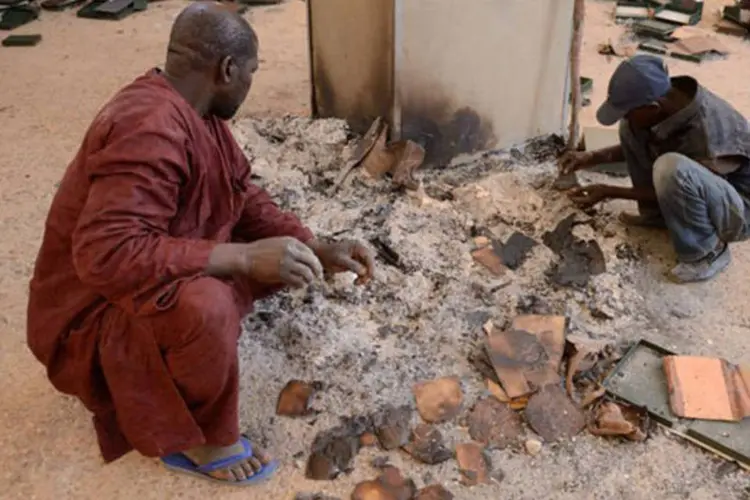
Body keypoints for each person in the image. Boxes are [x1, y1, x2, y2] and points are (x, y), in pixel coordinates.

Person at [26, 2, 375, 486]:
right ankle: (197, 437)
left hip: (140, 271)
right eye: (252, 73)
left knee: (274, 260)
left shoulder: (197, 110)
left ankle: (198, 344)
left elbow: (241, 194)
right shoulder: (146, 125)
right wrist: (246, 257)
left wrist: (312, 246)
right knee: (209, 303)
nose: (251, 85)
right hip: (90, 316)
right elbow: (105, 254)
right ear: (227, 69)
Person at [559, 54, 750, 283]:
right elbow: (644, 144)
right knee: (630, 128)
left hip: (738, 207)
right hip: (703, 184)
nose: (627, 116)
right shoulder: (667, 101)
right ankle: (658, 215)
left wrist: (610, 190)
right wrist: (592, 157)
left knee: (671, 168)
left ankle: (707, 252)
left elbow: (682, 183)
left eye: (630, 110)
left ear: (652, 107)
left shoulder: (706, 135)